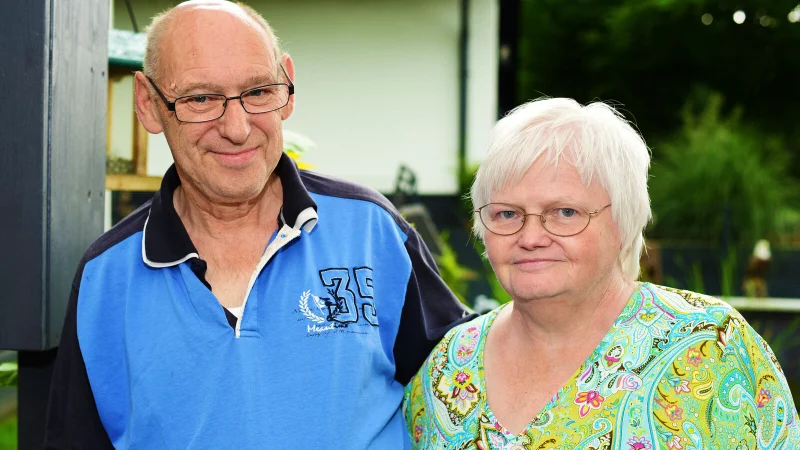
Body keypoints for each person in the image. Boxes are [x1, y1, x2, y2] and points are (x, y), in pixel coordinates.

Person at [44, 1, 471, 448]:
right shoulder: (105, 278)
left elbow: (467, 382)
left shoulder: (371, 233)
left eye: (258, 91)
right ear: (148, 104)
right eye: (201, 99)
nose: (237, 128)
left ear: (288, 85)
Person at [404, 98, 800, 449]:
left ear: (624, 222)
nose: (531, 237)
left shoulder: (710, 345)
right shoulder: (446, 366)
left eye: (565, 212)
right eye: (507, 214)